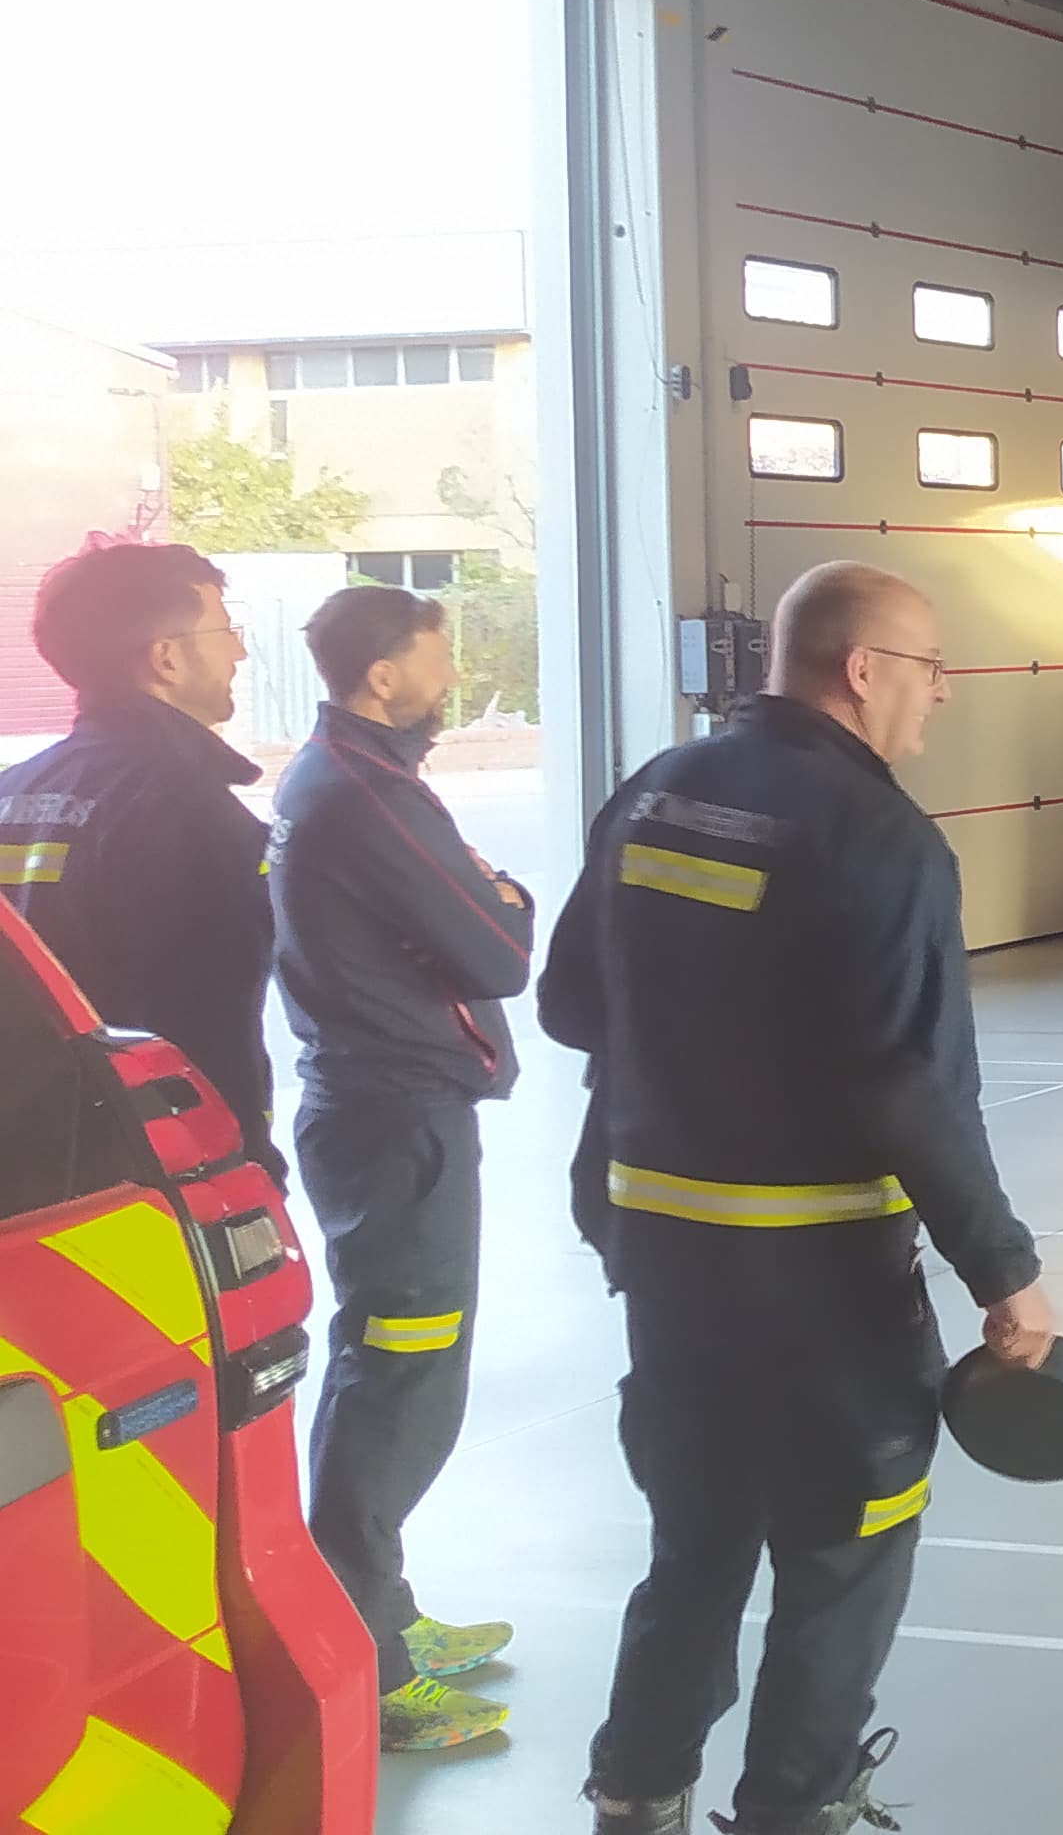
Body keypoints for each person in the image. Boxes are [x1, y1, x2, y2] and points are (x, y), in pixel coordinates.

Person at [551, 560, 1057, 1835]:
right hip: (819, 1278)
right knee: (844, 1550)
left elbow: (567, 1002)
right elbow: (907, 1083)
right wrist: (1004, 1268)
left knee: (697, 1537)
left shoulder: (655, 791)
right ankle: (798, 1805)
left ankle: (634, 1794)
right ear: (863, 668)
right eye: (933, 669)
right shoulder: (881, 837)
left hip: (663, 1258)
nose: (941, 696)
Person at [271, 584, 537, 1752]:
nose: (449, 667)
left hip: (385, 1109)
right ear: (386, 674)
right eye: (437, 651)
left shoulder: (345, 777)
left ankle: (383, 1612)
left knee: (390, 1369)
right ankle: (364, 1662)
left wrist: (488, 902)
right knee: (402, 1382)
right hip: (395, 1118)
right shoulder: (364, 795)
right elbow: (498, 944)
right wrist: (509, 903)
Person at [0, 540, 281, 1175]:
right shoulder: (193, 814)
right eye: (224, 628)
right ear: (167, 659)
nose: (239, 649)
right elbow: (210, 1032)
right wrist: (244, 1164)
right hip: (155, 1173)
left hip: (33, 1166)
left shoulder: (14, 792)